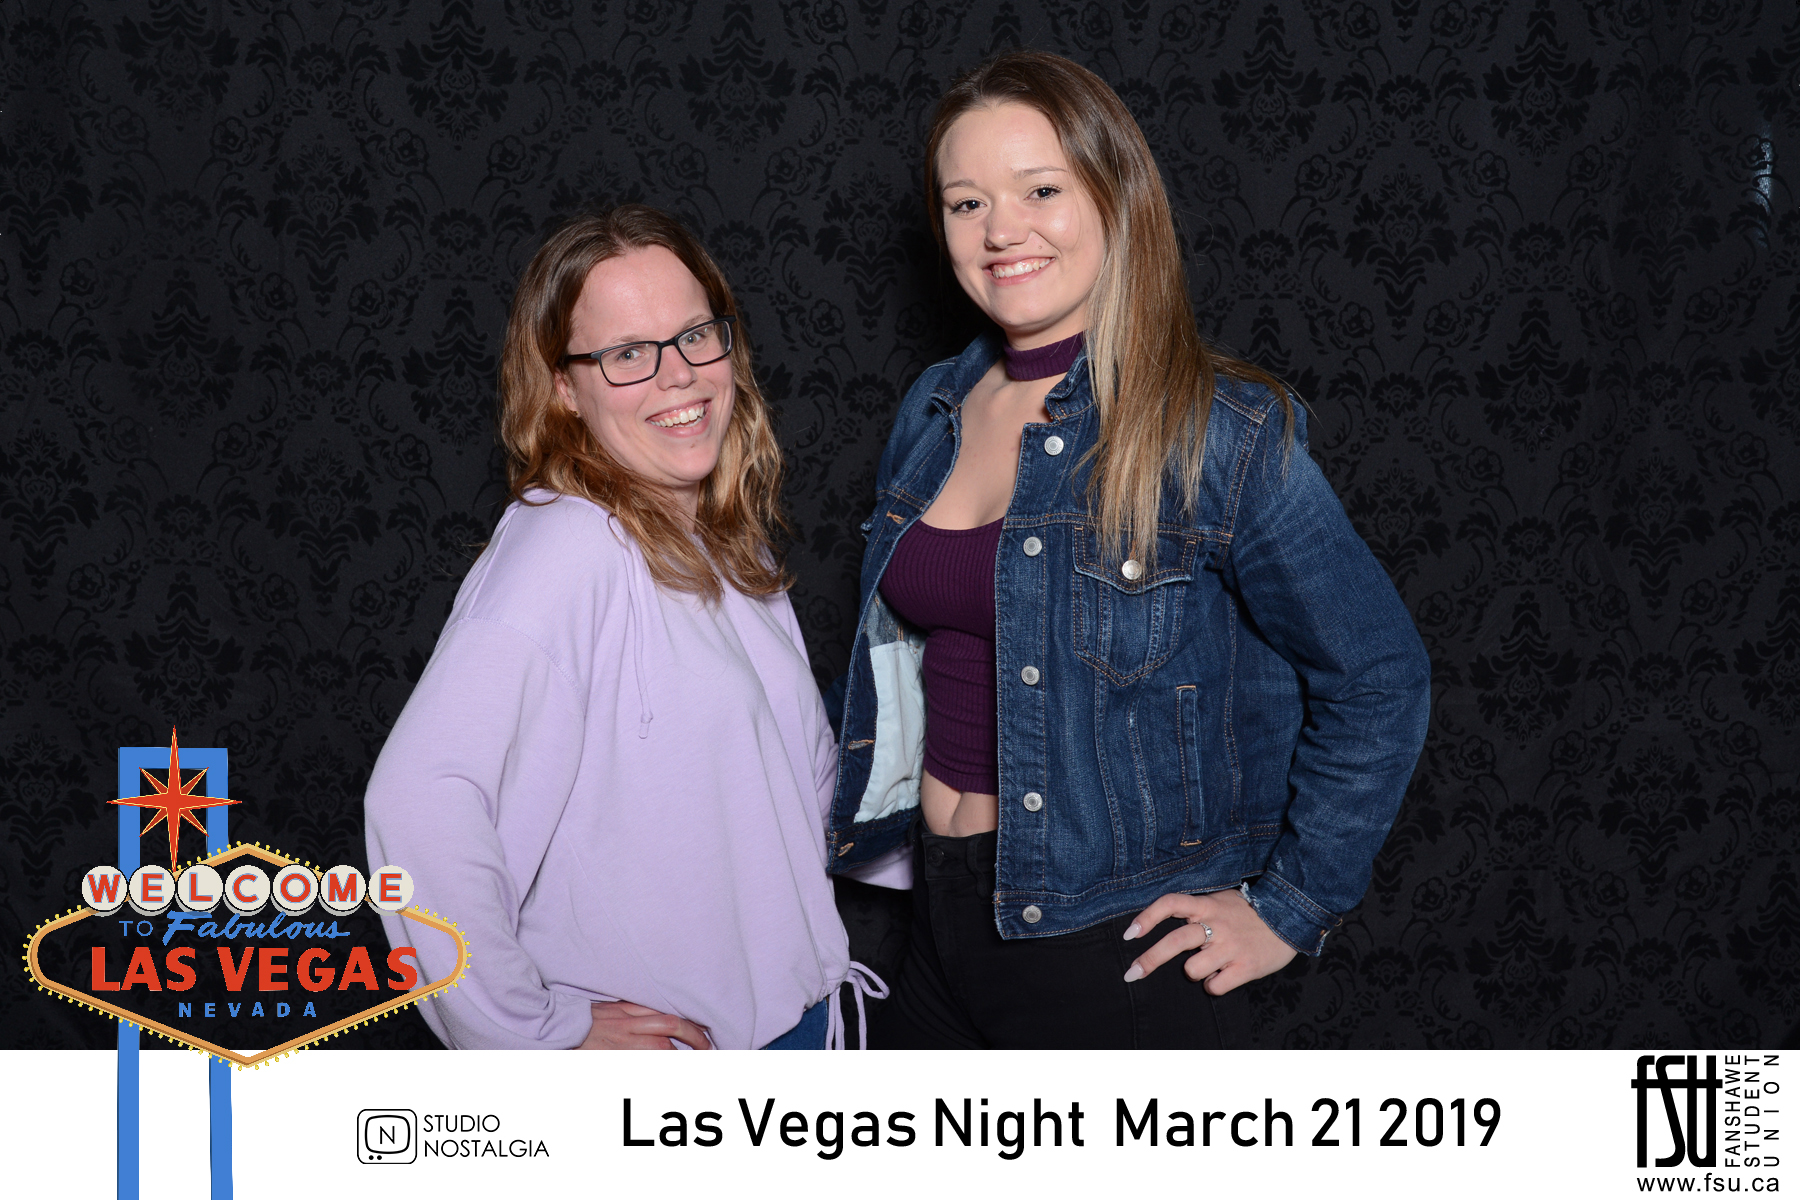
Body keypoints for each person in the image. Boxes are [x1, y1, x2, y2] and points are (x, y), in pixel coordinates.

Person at [825, 51, 1433, 1049]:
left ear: (1116, 197)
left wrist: (1291, 907)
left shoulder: (1217, 431)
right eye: (967, 202)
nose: (1001, 230)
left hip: (1110, 947)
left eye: (1041, 190)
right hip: (936, 916)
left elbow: (1379, 675)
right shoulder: (934, 407)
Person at [365, 204, 880, 1050]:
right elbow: (417, 802)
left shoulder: (726, 544)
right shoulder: (569, 543)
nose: (678, 376)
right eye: (628, 354)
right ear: (564, 388)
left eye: (695, 336)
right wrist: (536, 1036)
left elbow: (787, 800)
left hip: (792, 1033)